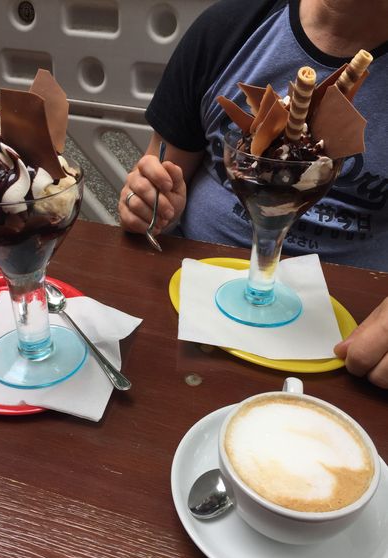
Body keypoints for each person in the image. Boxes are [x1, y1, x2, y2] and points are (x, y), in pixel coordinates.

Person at [118, 0, 388, 389]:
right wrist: (150, 204)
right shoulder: (229, 28)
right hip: (193, 316)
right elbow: (157, 174)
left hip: (344, 344)